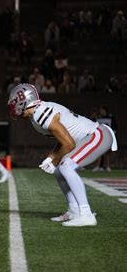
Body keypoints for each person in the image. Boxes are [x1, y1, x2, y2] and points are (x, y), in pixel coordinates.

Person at [8, 84, 117, 226]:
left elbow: (69, 144)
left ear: (24, 101)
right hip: (87, 137)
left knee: (66, 166)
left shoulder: (40, 113)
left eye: (15, 102)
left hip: (97, 134)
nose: (13, 106)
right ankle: (74, 211)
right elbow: (63, 139)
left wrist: (54, 161)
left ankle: (86, 214)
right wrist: (51, 157)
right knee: (60, 170)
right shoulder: (37, 114)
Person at [93, 105, 117, 172]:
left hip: (108, 136)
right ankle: (98, 166)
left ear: (104, 110)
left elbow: (115, 127)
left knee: (107, 153)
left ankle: (108, 166)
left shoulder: (111, 117)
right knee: (99, 152)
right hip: (101, 136)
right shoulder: (99, 117)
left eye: (102, 110)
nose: (101, 111)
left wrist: (112, 134)